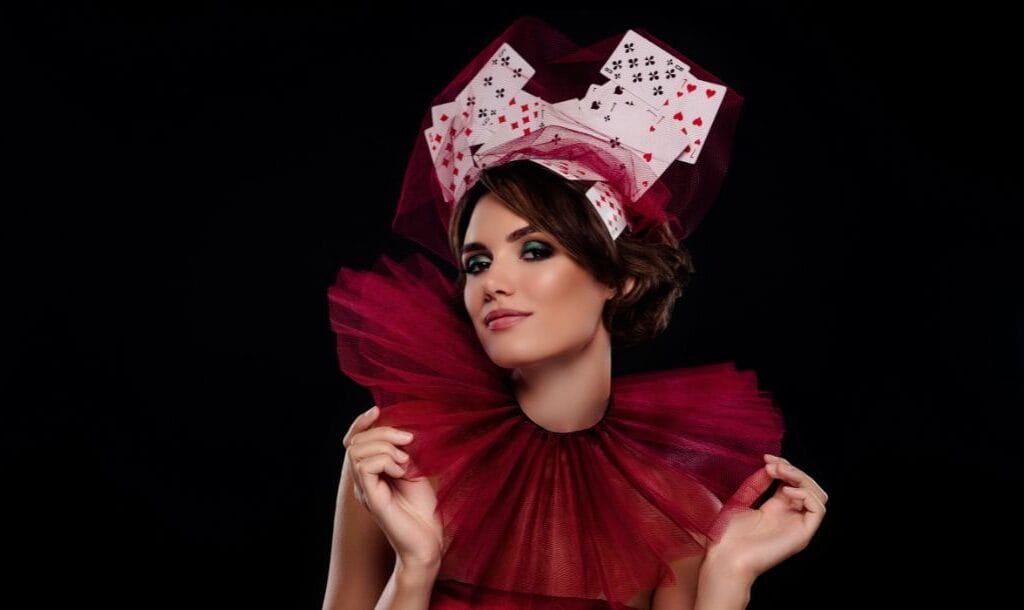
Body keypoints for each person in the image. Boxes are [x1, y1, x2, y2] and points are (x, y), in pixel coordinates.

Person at [322, 18, 827, 610]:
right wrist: (416, 568)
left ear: (619, 276)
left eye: (535, 250)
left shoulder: (677, 505)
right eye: (477, 261)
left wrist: (727, 579)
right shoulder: (402, 454)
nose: (493, 283)